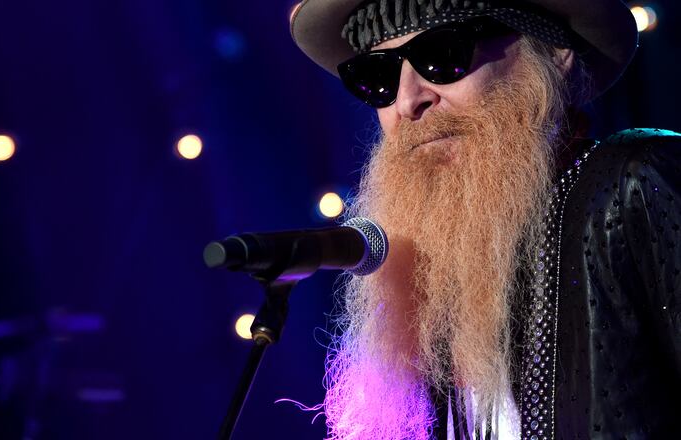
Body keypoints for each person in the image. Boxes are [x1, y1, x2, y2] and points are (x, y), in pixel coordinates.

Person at [290, 0, 680, 439]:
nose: (407, 99)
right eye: (377, 77)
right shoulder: (429, 274)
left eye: (442, 55)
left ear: (554, 53)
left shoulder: (636, 183)